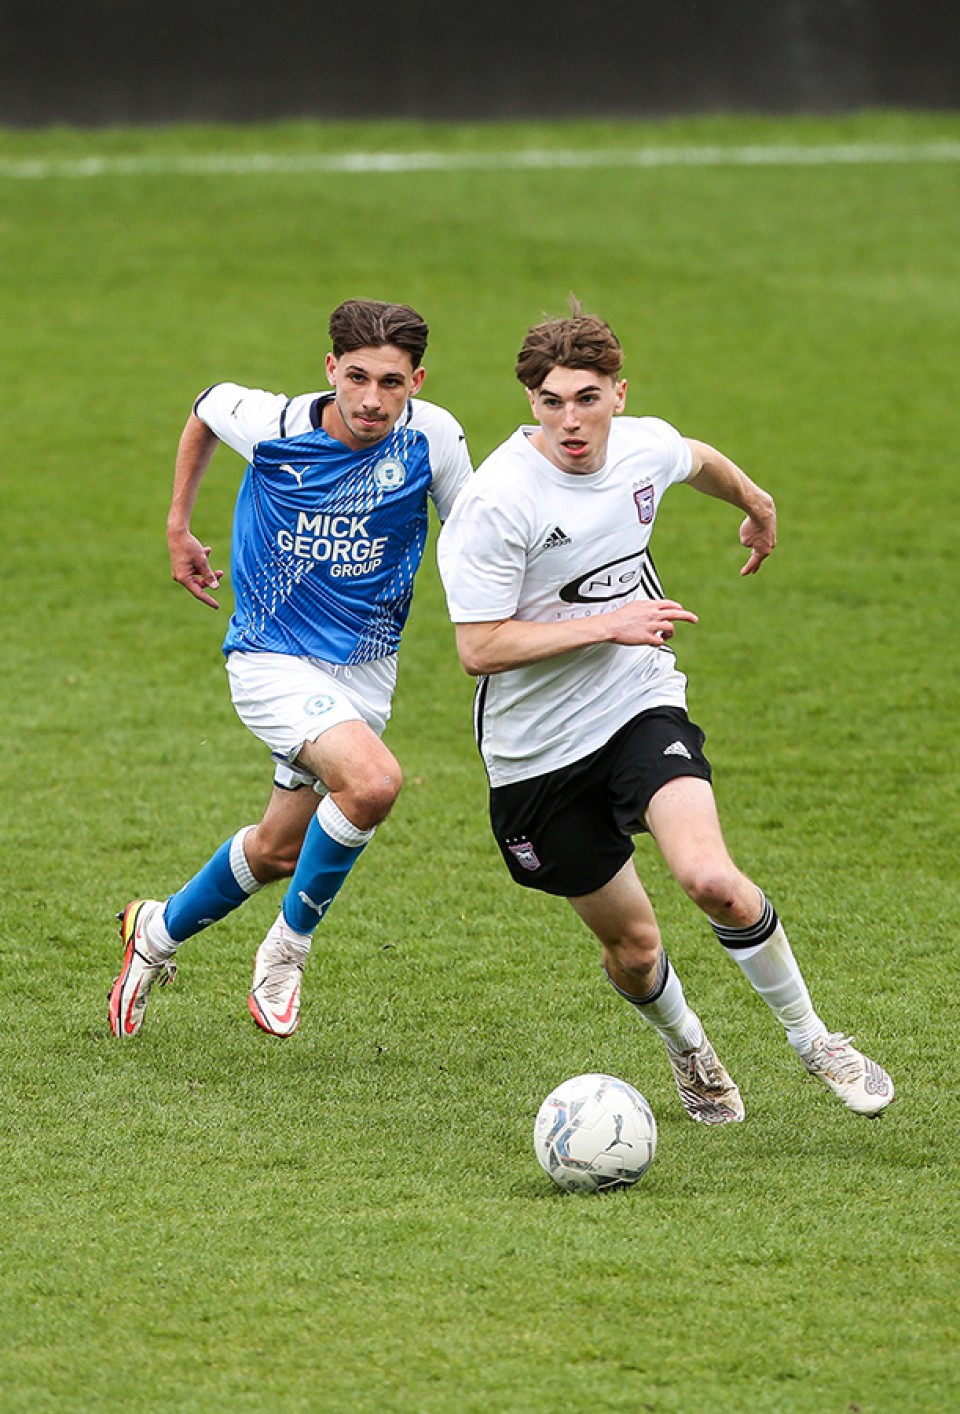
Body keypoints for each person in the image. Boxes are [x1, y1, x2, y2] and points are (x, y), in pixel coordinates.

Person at [437, 304, 894, 1122]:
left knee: (711, 879)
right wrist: (607, 623)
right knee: (635, 947)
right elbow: (479, 647)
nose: (570, 420)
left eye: (586, 397)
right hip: (534, 752)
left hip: (637, 699)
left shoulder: (641, 445)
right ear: (530, 403)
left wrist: (755, 501)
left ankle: (814, 1038)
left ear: (619, 392)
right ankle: (689, 1046)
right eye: (550, 401)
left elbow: (696, 459)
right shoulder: (499, 502)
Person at [109, 298, 472, 1039]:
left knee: (278, 850)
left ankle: (154, 933)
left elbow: (475, 534)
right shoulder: (276, 426)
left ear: (418, 381)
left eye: (394, 383)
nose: (373, 400)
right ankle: (286, 952)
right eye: (359, 377)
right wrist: (178, 526)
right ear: (330, 368)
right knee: (372, 782)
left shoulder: (434, 438)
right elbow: (208, 407)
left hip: (367, 671)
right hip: (271, 660)